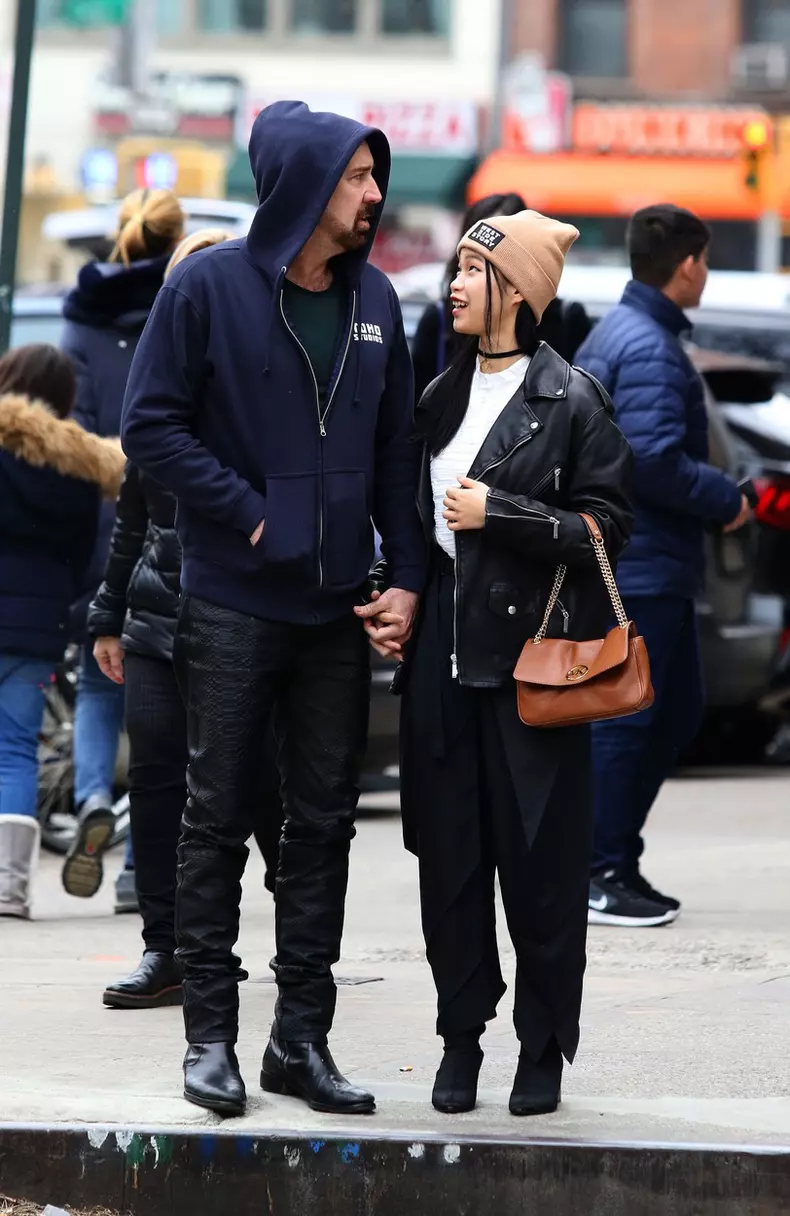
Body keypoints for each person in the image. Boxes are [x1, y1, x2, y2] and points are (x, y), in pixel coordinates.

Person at [121, 101, 426, 1118]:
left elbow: (396, 458)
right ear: (301, 181)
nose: (373, 196)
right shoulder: (206, 289)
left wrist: (407, 578)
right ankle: (211, 1039)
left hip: (337, 609)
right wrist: (250, 519)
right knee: (211, 820)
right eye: (354, 177)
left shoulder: (378, 299)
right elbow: (149, 428)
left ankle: (302, 1040)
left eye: (375, 177)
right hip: (233, 600)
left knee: (324, 828)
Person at [394, 210, 633, 1117]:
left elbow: (610, 528)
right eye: (455, 268)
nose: (453, 284)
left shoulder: (572, 399)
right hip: (441, 668)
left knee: (541, 871)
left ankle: (543, 1045)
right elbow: (415, 526)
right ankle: (461, 1040)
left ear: (516, 290)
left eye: (469, 270)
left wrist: (507, 516)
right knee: (448, 869)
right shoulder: (436, 398)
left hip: (535, 668)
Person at [89, 229, 284, 1011]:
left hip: (244, 615)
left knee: (261, 786)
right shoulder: (157, 387)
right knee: (159, 781)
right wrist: (109, 616)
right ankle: (165, 949)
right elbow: (131, 518)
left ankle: (304, 944)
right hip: (154, 619)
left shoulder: (260, 384)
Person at [575, 204, 751, 928]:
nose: (704, 274)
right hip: (639, 562)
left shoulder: (624, 331)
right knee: (629, 720)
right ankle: (597, 869)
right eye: (704, 261)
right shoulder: (646, 345)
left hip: (640, 560)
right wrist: (726, 500)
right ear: (687, 264)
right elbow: (649, 462)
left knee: (671, 713)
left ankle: (611, 858)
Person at [59, 187, 185, 912]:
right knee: (163, 712)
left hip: (101, 531)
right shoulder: (185, 307)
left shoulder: (79, 327)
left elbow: (68, 441)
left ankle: (88, 801)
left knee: (99, 689)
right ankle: (142, 868)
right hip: (166, 528)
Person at [0, 345, 125, 918]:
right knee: (15, 752)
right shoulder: (80, 468)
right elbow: (81, 555)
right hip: (36, 627)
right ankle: (10, 888)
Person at [411, 192, 591, 403]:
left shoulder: (575, 396)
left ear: (518, 284)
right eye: (463, 267)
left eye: (475, 268)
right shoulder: (439, 388)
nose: (457, 284)